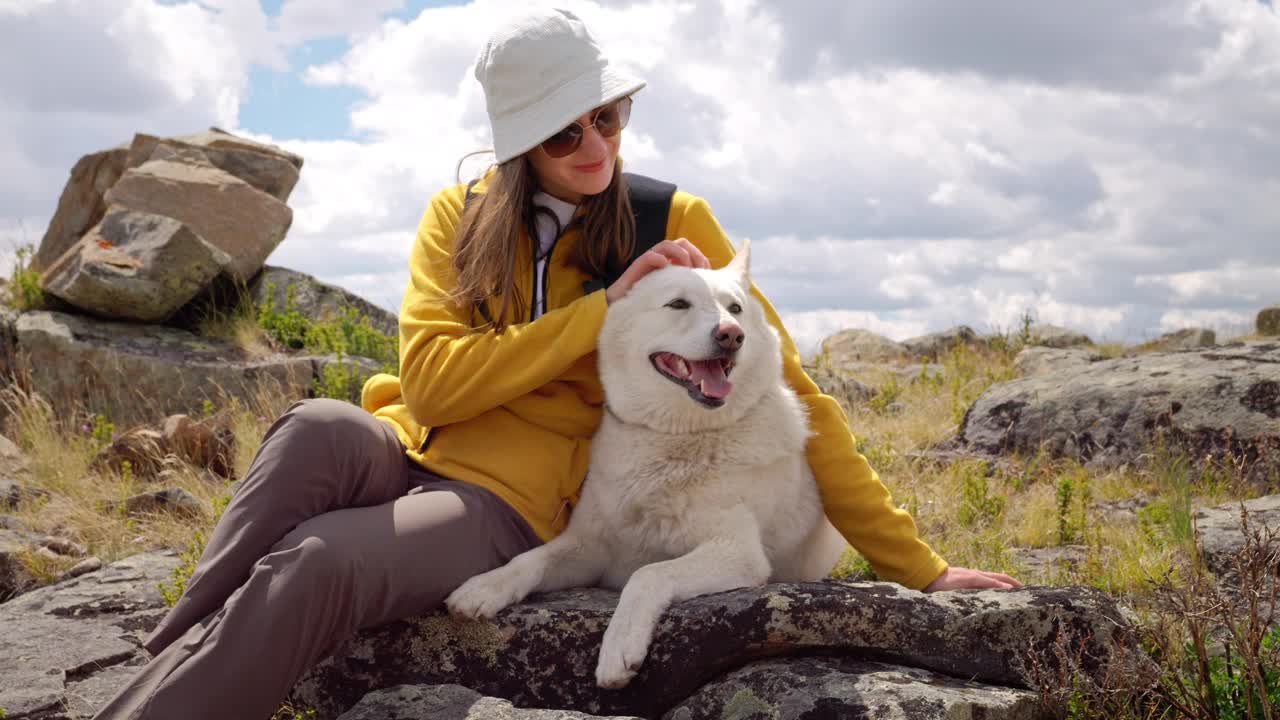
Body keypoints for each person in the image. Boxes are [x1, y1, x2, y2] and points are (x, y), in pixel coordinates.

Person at [92, 7, 1019, 719]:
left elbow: (792, 391)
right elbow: (432, 384)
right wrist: (598, 313)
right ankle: (160, 662)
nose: (598, 148)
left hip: (513, 500)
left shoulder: (671, 226)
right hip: (416, 442)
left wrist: (918, 566)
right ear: (517, 146)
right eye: (566, 132)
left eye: (609, 118)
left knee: (319, 561)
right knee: (311, 429)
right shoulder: (458, 220)